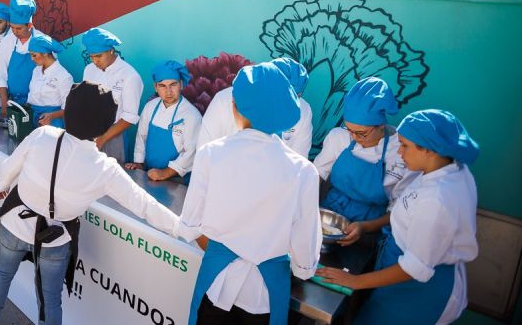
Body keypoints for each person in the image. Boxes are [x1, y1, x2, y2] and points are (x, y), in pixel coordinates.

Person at [0, 82, 179, 325]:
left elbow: (9, 168)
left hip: (15, 224)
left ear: (69, 111)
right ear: (105, 124)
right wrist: (181, 228)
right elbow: (145, 205)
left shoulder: (42, 135)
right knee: (50, 299)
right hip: (55, 239)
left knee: (1, 274)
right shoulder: (105, 168)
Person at [176, 62, 321, 325]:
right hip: (265, 294)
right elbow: (304, 258)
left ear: (234, 107)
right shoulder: (304, 171)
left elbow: (190, 225)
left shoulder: (211, 154)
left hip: (217, 283)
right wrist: (299, 266)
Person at [316, 110, 479, 325]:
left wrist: (355, 281)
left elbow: (416, 268)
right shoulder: (450, 170)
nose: (400, 152)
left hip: (419, 292)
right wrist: (365, 227)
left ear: (429, 150)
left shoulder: (437, 199)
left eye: (405, 145)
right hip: (398, 268)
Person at [315, 77, 415, 240]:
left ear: (381, 125)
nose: (354, 137)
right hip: (330, 211)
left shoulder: (400, 150)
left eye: (361, 133)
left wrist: (365, 227)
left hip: (371, 225)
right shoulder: (338, 137)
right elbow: (317, 174)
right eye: (349, 130)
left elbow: (399, 209)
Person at [196, 57, 314, 158]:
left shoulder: (304, 111)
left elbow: (298, 158)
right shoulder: (223, 100)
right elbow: (204, 152)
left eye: (294, 98)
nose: (285, 104)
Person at [125, 60, 203, 183]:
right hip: (150, 173)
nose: (168, 91)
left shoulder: (192, 115)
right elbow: (141, 137)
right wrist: (139, 164)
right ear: (156, 87)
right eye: (162, 86)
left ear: (181, 84)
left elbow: (191, 152)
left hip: (178, 179)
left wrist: (165, 173)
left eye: (173, 84)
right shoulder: (150, 107)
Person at [81, 27, 143, 162]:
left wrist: (103, 138)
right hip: (89, 132)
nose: (95, 61)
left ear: (111, 50)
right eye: (91, 57)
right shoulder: (89, 70)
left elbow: (129, 117)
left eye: (99, 56)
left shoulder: (130, 76)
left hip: (114, 136)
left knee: (113, 171)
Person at [0, 0, 43, 118]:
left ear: (30, 25)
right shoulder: (7, 42)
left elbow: (49, 76)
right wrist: (5, 104)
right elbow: (1, 76)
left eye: (19, 28)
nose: (15, 32)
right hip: (13, 103)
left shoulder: (42, 42)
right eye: (12, 27)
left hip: (38, 105)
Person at [26, 33, 72, 128]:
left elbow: (69, 108)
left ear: (45, 53)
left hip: (53, 123)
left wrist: (51, 116)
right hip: (33, 118)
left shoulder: (63, 76)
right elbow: (32, 96)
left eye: (34, 55)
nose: (32, 59)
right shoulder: (36, 70)